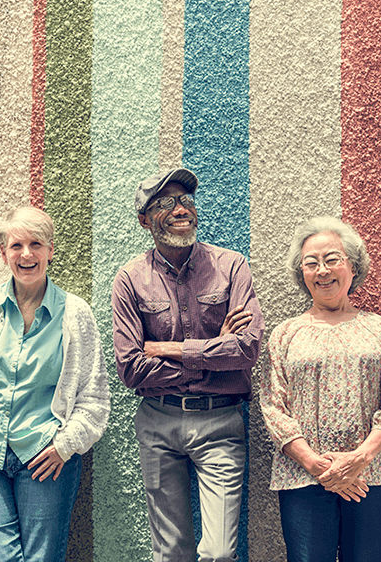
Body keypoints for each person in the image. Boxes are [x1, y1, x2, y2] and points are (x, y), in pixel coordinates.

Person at [0, 205, 109, 562]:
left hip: (45, 459)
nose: (26, 254)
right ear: (3, 253)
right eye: (16, 246)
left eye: (36, 244)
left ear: (50, 251)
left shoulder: (75, 314)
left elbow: (94, 397)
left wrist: (65, 445)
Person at [111, 168, 265, 562]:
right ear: (145, 220)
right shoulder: (129, 280)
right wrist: (215, 350)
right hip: (158, 422)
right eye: (165, 203)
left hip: (221, 424)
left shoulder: (232, 267)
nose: (180, 209)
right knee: (170, 551)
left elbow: (246, 351)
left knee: (218, 553)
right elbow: (130, 368)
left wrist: (167, 349)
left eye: (186, 201)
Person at [260, 217, 381, 562]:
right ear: (302, 275)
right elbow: (273, 405)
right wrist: (317, 465)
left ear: (352, 268)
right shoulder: (285, 334)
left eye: (332, 259)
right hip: (302, 477)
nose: (322, 270)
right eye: (311, 263)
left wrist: (358, 459)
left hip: (370, 474)